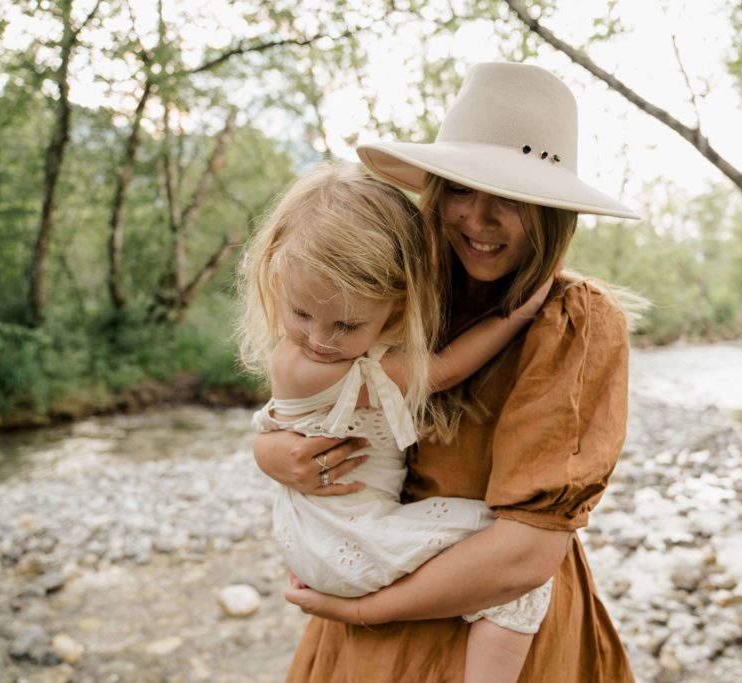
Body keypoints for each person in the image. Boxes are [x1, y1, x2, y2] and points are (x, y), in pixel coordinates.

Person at [255, 61, 641, 682]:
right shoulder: (394, 296)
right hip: (366, 615)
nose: (478, 218)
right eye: (460, 189)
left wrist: (365, 609)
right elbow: (309, 403)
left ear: (551, 213)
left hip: (482, 630)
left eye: (511, 199)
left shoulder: (574, 323)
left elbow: (524, 556)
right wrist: (271, 453)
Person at [239, 163, 557, 683]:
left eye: (345, 324)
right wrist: (520, 314)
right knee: (518, 573)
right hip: (347, 540)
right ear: (276, 278)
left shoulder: (342, 348)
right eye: (300, 314)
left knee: (510, 556)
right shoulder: (310, 366)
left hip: (324, 537)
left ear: (397, 303)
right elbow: (444, 370)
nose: (319, 339)